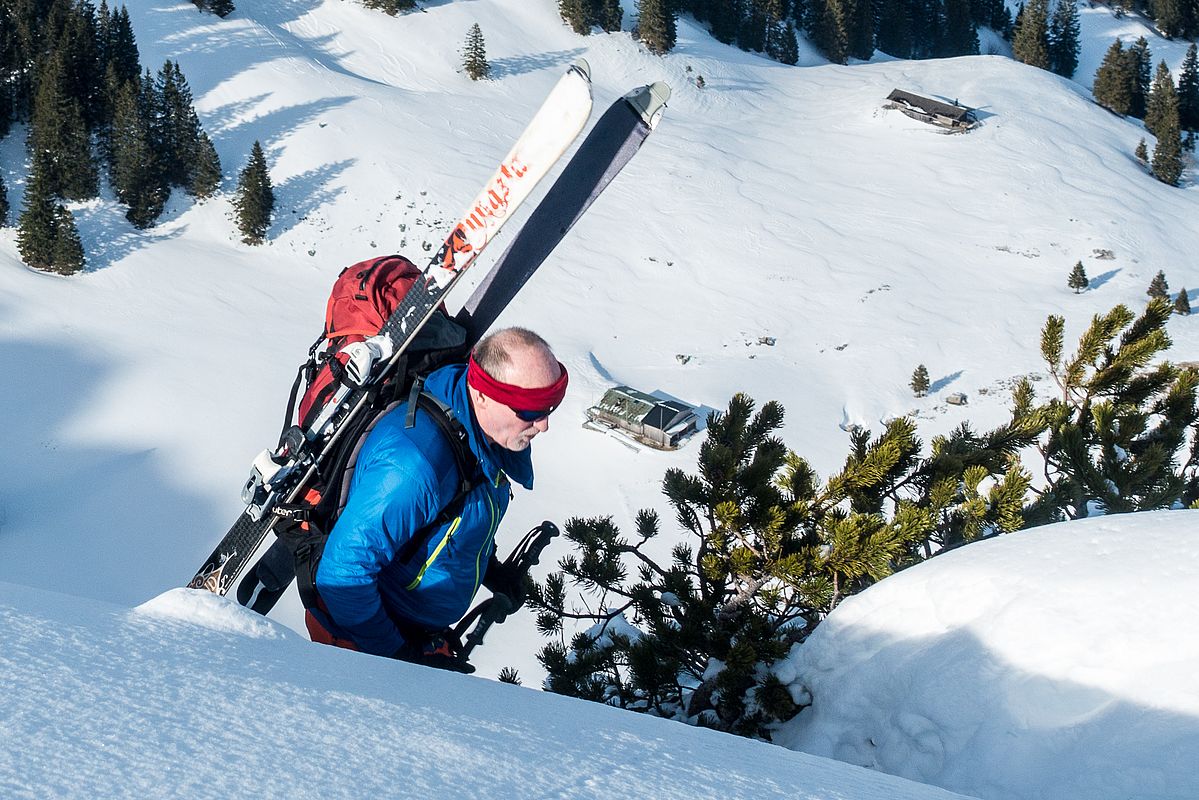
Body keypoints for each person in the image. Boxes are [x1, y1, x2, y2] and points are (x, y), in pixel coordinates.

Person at [303, 327, 567, 670]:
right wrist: (399, 656)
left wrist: (491, 571)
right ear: (483, 394)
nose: (544, 425)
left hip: (417, 636)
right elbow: (341, 575)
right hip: (362, 646)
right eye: (529, 411)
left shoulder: (482, 433)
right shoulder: (413, 469)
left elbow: (449, 524)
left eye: (551, 406)